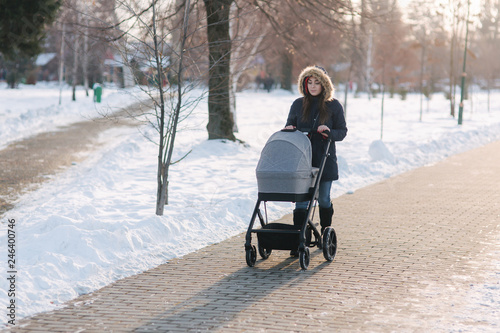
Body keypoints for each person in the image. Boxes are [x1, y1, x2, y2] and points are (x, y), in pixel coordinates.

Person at [284, 65, 347, 241]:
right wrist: (289, 129)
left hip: (324, 159)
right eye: (309, 82)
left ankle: (326, 233)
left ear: (324, 84)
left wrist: (329, 132)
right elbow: (289, 124)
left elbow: (342, 131)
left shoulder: (333, 106)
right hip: (302, 160)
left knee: (324, 198)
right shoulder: (298, 104)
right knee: (301, 201)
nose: (312, 86)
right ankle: (300, 238)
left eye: (317, 82)